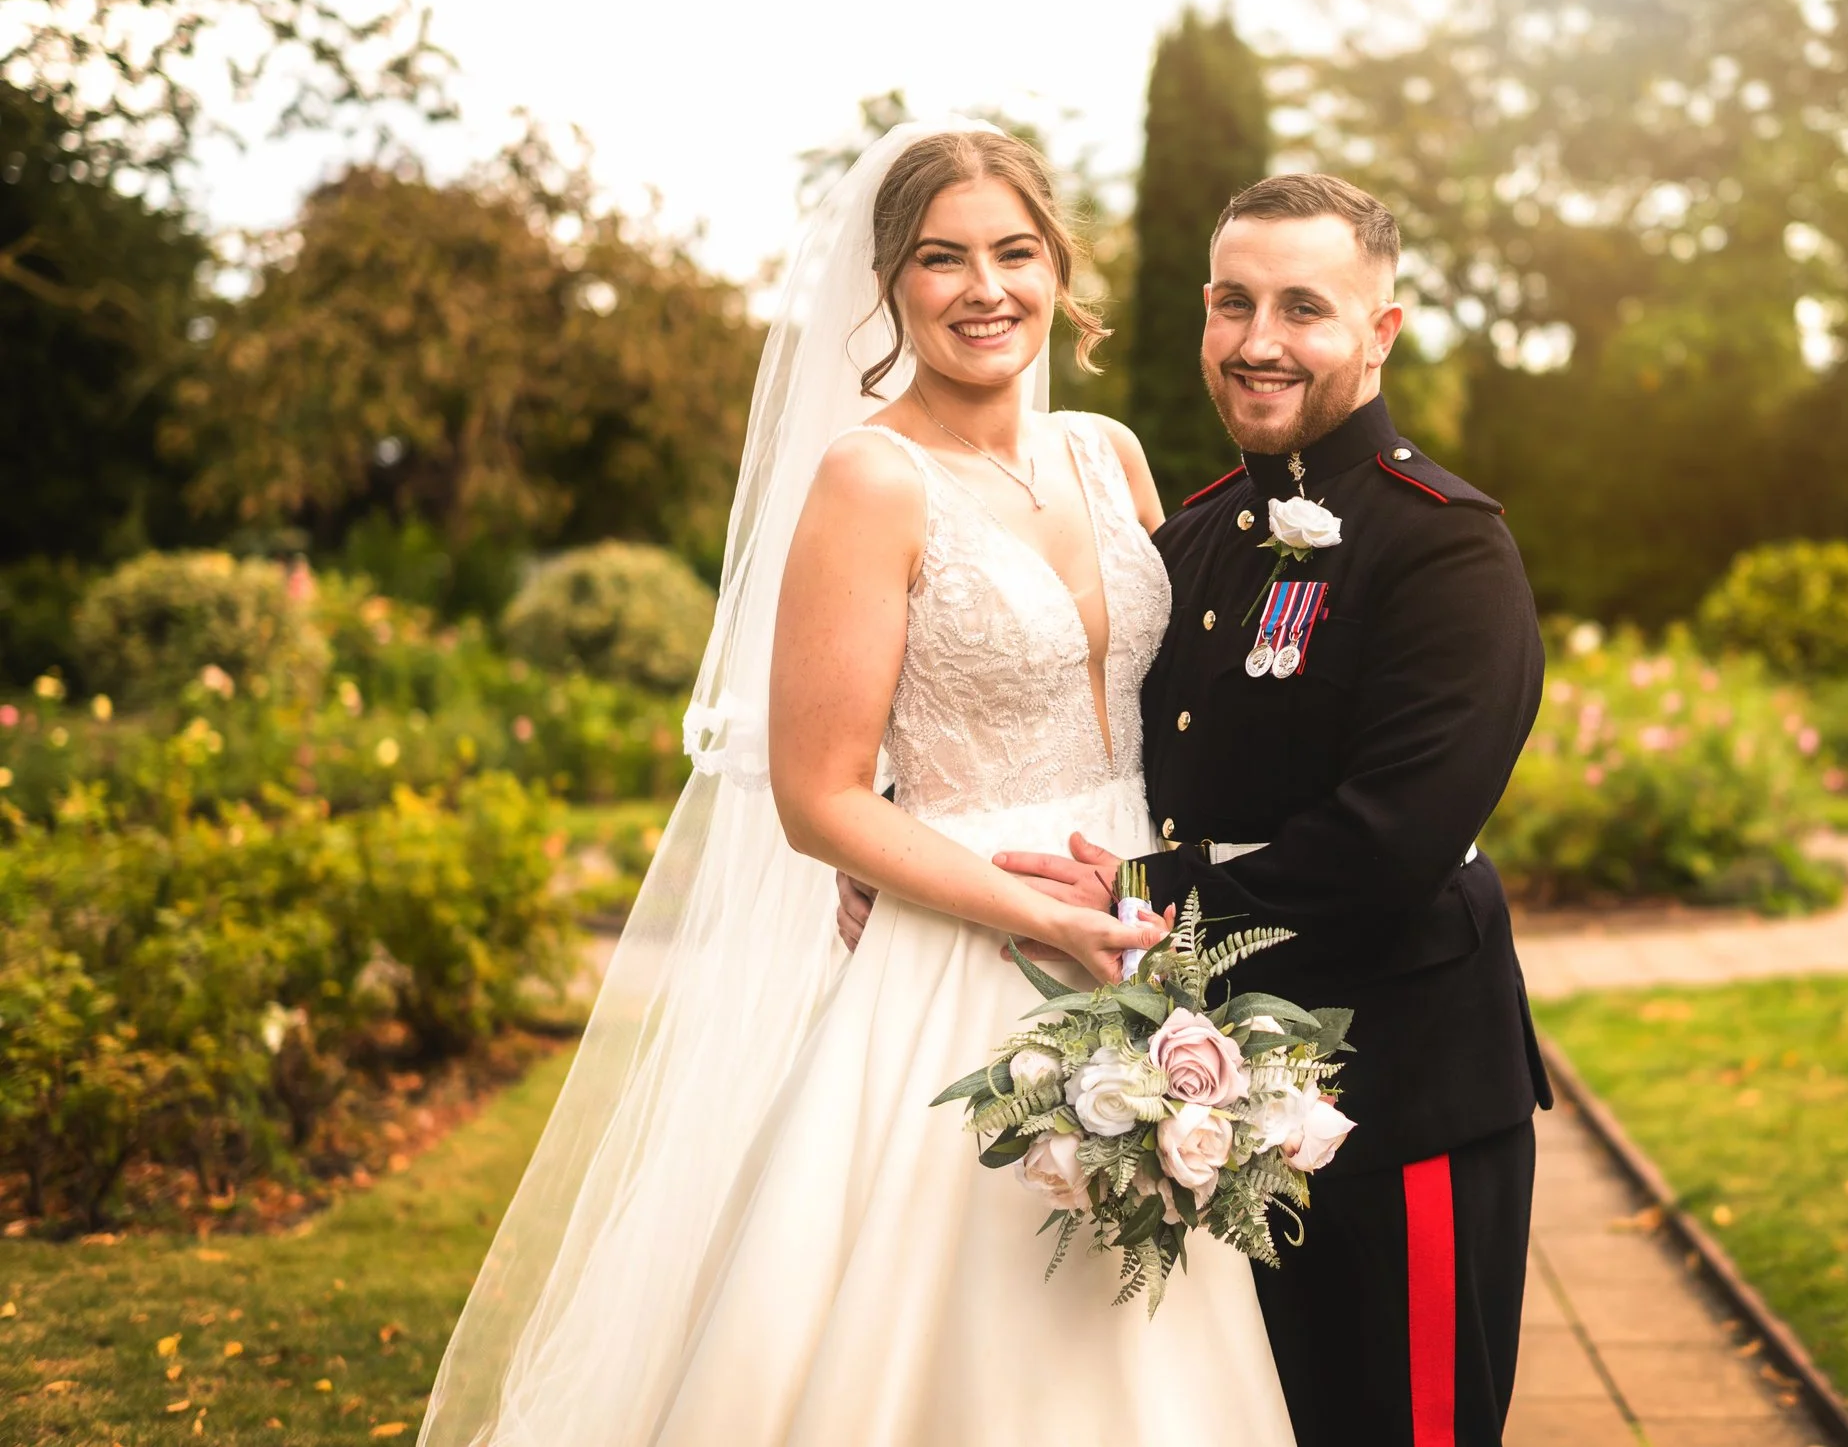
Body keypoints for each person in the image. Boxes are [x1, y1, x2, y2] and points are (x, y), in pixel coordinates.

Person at [417, 123, 1296, 1447]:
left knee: (1136, 1301)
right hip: (960, 946)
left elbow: (1161, 707)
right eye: (942, 258)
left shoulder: (1106, 451)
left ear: (1060, 267)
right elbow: (819, 793)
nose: (983, 286)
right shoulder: (868, 480)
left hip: (1137, 925)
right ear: (889, 284)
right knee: (964, 1310)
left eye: (1013, 250)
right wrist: (1041, 914)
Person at [847, 172, 1552, 1446]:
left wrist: (1141, 901)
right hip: (1206, 1098)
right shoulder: (1195, 535)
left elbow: (1391, 842)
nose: (1260, 340)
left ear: (1380, 330)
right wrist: (912, 819)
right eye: (1233, 304)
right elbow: (1086, 719)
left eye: (1304, 307)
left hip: (1399, 1089)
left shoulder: (1446, 545)